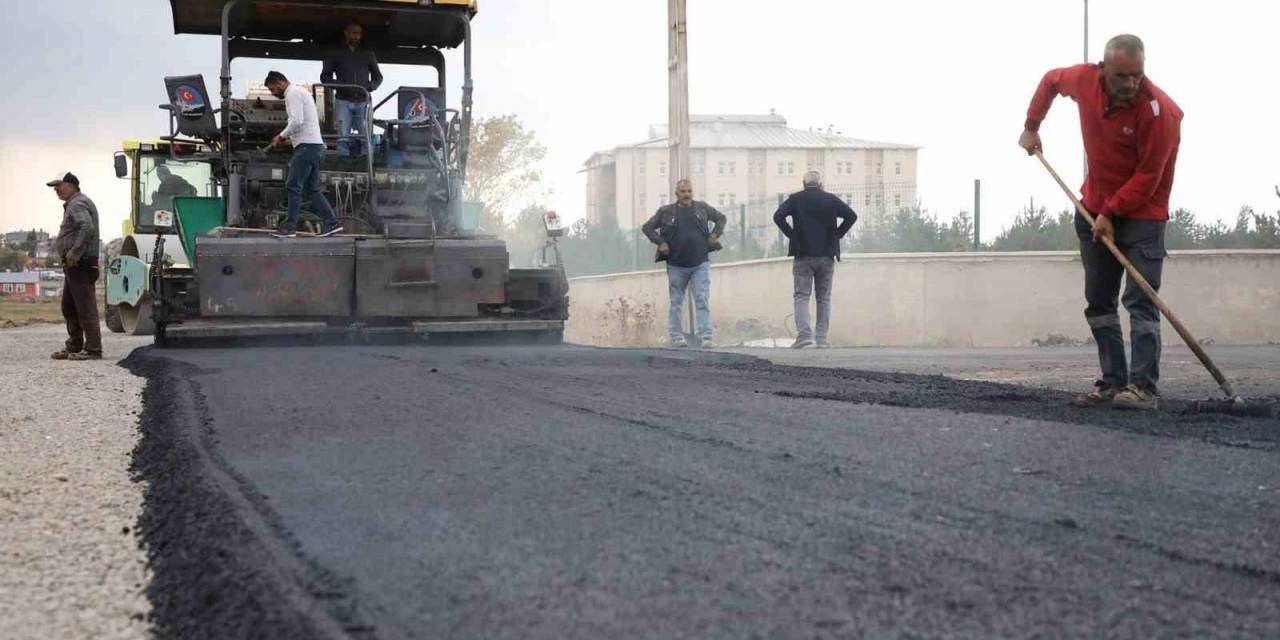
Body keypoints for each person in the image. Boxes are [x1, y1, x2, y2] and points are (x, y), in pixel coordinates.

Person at [1019, 34, 1183, 411]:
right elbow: (1050, 80)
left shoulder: (1160, 113)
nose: (1130, 84)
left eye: (1137, 75)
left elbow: (1149, 176)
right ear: (1103, 68)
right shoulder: (1083, 80)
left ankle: (1143, 388)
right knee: (1100, 302)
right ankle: (1112, 384)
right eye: (1121, 75)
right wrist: (1031, 125)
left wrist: (1111, 212)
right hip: (1093, 208)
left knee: (1140, 301)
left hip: (1142, 216)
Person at [773, 170, 857, 349]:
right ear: (820, 184)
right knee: (823, 298)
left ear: (804, 183)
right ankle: (821, 339)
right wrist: (837, 235)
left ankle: (804, 337)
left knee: (802, 296)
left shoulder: (795, 199)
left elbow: (778, 216)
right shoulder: (831, 199)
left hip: (803, 255)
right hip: (826, 255)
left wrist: (793, 236)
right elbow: (852, 216)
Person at [641, 179, 726, 348]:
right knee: (676, 302)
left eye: (689, 191)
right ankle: (676, 336)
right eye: (683, 192)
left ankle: (706, 336)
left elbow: (721, 218)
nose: (686, 194)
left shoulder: (701, 208)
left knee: (701, 299)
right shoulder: (666, 212)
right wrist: (660, 242)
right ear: (676, 194)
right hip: (676, 265)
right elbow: (647, 227)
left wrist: (715, 235)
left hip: (700, 263)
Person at [265, 71, 343, 238]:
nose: (273, 93)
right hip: (315, 147)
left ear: (279, 82)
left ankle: (290, 228)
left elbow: (297, 121)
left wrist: (281, 136)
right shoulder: (299, 92)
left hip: (307, 147)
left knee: (293, 185)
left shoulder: (292, 94)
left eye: (272, 89)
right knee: (311, 189)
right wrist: (287, 138)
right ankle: (331, 222)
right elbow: (301, 123)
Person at [47, 172, 102, 361]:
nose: (56, 190)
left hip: (81, 263)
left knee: (85, 307)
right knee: (69, 306)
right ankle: (75, 346)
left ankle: (93, 349)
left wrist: (74, 253)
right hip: (75, 264)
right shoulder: (74, 203)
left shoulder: (77, 203)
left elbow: (87, 228)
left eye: (58, 186)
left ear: (71, 185)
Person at [321, 22, 383, 158]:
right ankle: (343, 160)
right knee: (343, 135)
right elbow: (325, 76)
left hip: (363, 100)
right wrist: (340, 85)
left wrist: (371, 86)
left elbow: (378, 77)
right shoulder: (336, 52)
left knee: (365, 133)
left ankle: (366, 161)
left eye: (358, 34)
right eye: (353, 33)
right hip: (343, 100)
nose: (356, 37)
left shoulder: (367, 54)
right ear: (346, 33)